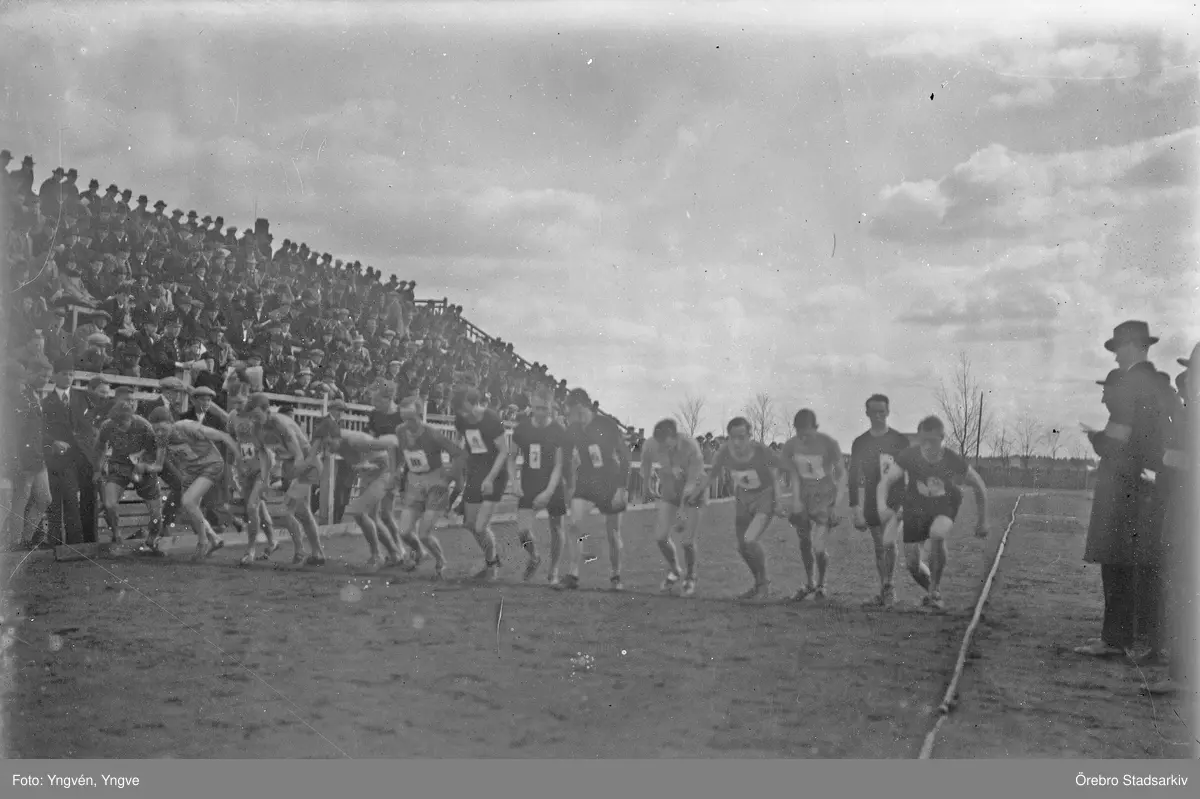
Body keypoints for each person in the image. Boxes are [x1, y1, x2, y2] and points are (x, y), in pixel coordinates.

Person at [1076, 321, 1166, 658]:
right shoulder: (1158, 382)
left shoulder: (1131, 384)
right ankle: (1139, 639)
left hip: (1123, 484)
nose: (1115, 357)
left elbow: (1118, 436)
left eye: (1118, 349)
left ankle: (1115, 639)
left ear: (1131, 345)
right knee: (1139, 563)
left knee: (1116, 560)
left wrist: (1096, 439)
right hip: (1148, 484)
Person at [875, 415, 990, 612]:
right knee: (912, 563)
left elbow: (978, 484)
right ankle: (931, 591)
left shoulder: (951, 459)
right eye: (923, 441)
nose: (928, 446)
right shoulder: (910, 456)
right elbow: (886, 481)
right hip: (916, 505)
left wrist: (983, 520)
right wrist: (881, 507)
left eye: (933, 441)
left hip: (945, 503)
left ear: (942, 438)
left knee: (937, 533)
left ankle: (935, 591)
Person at [693, 416, 792, 600]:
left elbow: (778, 469)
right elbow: (712, 475)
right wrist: (696, 493)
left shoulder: (760, 450)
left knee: (750, 540)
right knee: (742, 547)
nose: (737, 442)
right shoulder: (724, 452)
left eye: (742, 437)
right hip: (743, 498)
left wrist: (777, 500)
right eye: (733, 437)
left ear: (749, 436)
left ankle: (764, 585)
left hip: (764, 497)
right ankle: (759, 584)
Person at [555, 388, 632, 591]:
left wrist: (622, 488)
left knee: (613, 533)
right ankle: (573, 574)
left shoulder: (606, 424)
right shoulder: (573, 429)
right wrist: (569, 484)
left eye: (569, 409)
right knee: (574, 525)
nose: (568, 414)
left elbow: (625, 456)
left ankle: (616, 575)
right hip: (587, 481)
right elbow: (565, 455)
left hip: (610, 481)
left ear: (580, 406)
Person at [310, 417, 405, 572]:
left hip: (385, 472)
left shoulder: (356, 440)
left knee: (358, 511)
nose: (326, 449)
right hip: (371, 475)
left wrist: (395, 471)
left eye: (327, 444)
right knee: (371, 517)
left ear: (334, 436)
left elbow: (393, 444)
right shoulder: (336, 442)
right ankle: (395, 555)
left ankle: (377, 556)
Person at [244, 393, 326, 566]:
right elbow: (264, 454)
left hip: (306, 462)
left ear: (267, 411)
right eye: (251, 416)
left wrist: (292, 480)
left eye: (257, 415)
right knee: (300, 512)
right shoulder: (256, 429)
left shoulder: (280, 424)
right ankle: (311, 552)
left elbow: (298, 454)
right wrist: (265, 479)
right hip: (289, 464)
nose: (254, 420)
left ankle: (308, 551)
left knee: (288, 510)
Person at [848, 394, 913, 608]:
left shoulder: (899, 441)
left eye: (881, 412)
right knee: (879, 546)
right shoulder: (860, 442)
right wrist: (855, 508)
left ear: (888, 412)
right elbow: (852, 476)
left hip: (894, 499)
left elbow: (910, 472)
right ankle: (884, 588)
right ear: (867, 413)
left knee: (888, 542)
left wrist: (906, 502)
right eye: (874, 412)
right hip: (871, 500)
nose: (878, 416)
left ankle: (889, 587)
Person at [146, 407, 236, 560]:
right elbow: (158, 466)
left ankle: (203, 542)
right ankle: (215, 539)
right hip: (191, 472)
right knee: (190, 509)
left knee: (188, 501)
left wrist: (239, 459)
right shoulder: (161, 439)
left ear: (171, 423)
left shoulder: (187, 427)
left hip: (211, 465)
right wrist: (143, 466)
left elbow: (223, 436)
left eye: (162, 429)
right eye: (156, 430)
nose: (159, 433)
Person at [393, 395, 465, 580]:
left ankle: (441, 561)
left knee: (424, 534)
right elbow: (401, 454)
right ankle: (419, 552)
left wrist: (448, 479)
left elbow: (458, 454)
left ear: (419, 415)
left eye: (412, 419)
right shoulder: (400, 431)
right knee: (404, 532)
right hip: (414, 482)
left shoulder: (432, 433)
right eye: (405, 419)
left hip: (435, 481)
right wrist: (398, 474)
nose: (408, 424)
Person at [780, 409, 846, 601]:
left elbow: (842, 474)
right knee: (804, 543)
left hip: (824, 498)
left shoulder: (829, 443)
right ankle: (810, 583)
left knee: (818, 546)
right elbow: (791, 473)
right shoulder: (791, 445)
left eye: (807, 433)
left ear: (815, 428)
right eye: (799, 433)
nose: (803, 438)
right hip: (803, 497)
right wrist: (795, 500)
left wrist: (836, 505)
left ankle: (821, 584)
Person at [225, 388, 296, 565]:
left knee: (251, 507)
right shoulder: (232, 417)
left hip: (263, 468)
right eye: (234, 403)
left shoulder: (258, 417)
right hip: (245, 469)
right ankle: (272, 542)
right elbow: (232, 441)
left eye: (241, 402)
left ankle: (250, 550)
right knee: (258, 508)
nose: (237, 406)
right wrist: (232, 467)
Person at [639, 418, 707, 596]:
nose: (663, 449)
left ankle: (691, 576)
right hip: (671, 490)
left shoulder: (691, 447)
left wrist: (682, 511)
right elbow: (645, 462)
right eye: (660, 445)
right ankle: (675, 570)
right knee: (661, 537)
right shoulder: (652, 444)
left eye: (666, 444)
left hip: (694, 492)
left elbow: (692, 482)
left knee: (687, 541)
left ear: (675, 437)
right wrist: (646, 487)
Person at [508, 386, 569, 583]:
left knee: (557, 528)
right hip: (529, 483)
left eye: (545, 408)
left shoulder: (558, 431)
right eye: (537, 408)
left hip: (553, 485)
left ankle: (554, 571)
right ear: (531, 406)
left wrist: (548, 493)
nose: (541, 412)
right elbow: (511, 458)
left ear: (551, 407)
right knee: (522, 531)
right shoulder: (522, 429)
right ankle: (534, 557)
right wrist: (514, 483)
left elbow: (559, 465)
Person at [452, 387, 511, 581]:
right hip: (475, 473)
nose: (462, 415)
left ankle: (491, 565)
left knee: (479, 526)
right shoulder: (461, 419)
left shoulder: (492, 419)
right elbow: (460, 441)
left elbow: (504, 451)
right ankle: (492, 559)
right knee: (469, 524)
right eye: (459, 411)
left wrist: (490, 478)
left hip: (495, 474)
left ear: (474, 403)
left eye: (464, 409)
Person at [95, 388, 163, 553]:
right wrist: (98, 468)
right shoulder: (107, 426)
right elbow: (100, 447)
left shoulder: (144, 426)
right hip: (119, 466)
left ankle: (152, 540)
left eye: (123, 423)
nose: (120, 427)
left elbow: (157, 451)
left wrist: (144, 465)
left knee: (156, 512)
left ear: (131, 418)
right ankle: (116, 535)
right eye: (117, 424)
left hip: (143, 468)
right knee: (109, 504)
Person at [5, 357, 53, 551]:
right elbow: (15, 431)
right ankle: (16, 542)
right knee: (21, 499)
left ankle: (25, 538)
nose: (45, 380)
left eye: (48, 377)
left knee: (44, 499)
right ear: (30, 373)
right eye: (42, 376)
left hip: (37, 455)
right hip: (25, 456)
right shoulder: (18, 396)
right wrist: (18, 457)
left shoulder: (33, 395)